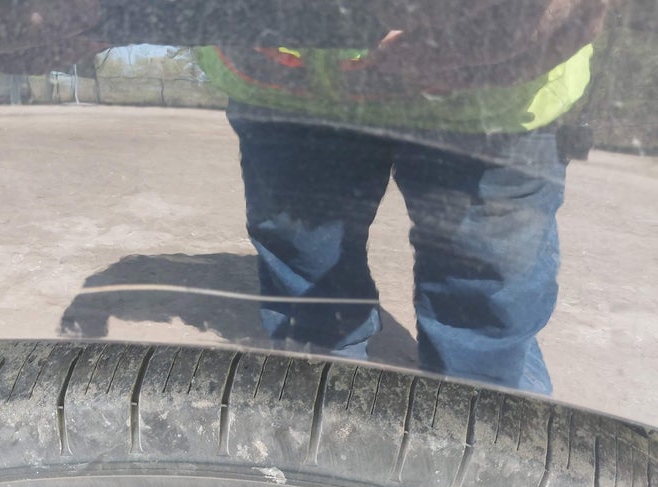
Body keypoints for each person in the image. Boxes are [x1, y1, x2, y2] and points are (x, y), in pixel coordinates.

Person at [194, 1, 611, 394]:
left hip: (495, 84)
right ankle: (324, 395)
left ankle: (485, 414)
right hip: (287, 80)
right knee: (308, 283)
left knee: (488, 317)